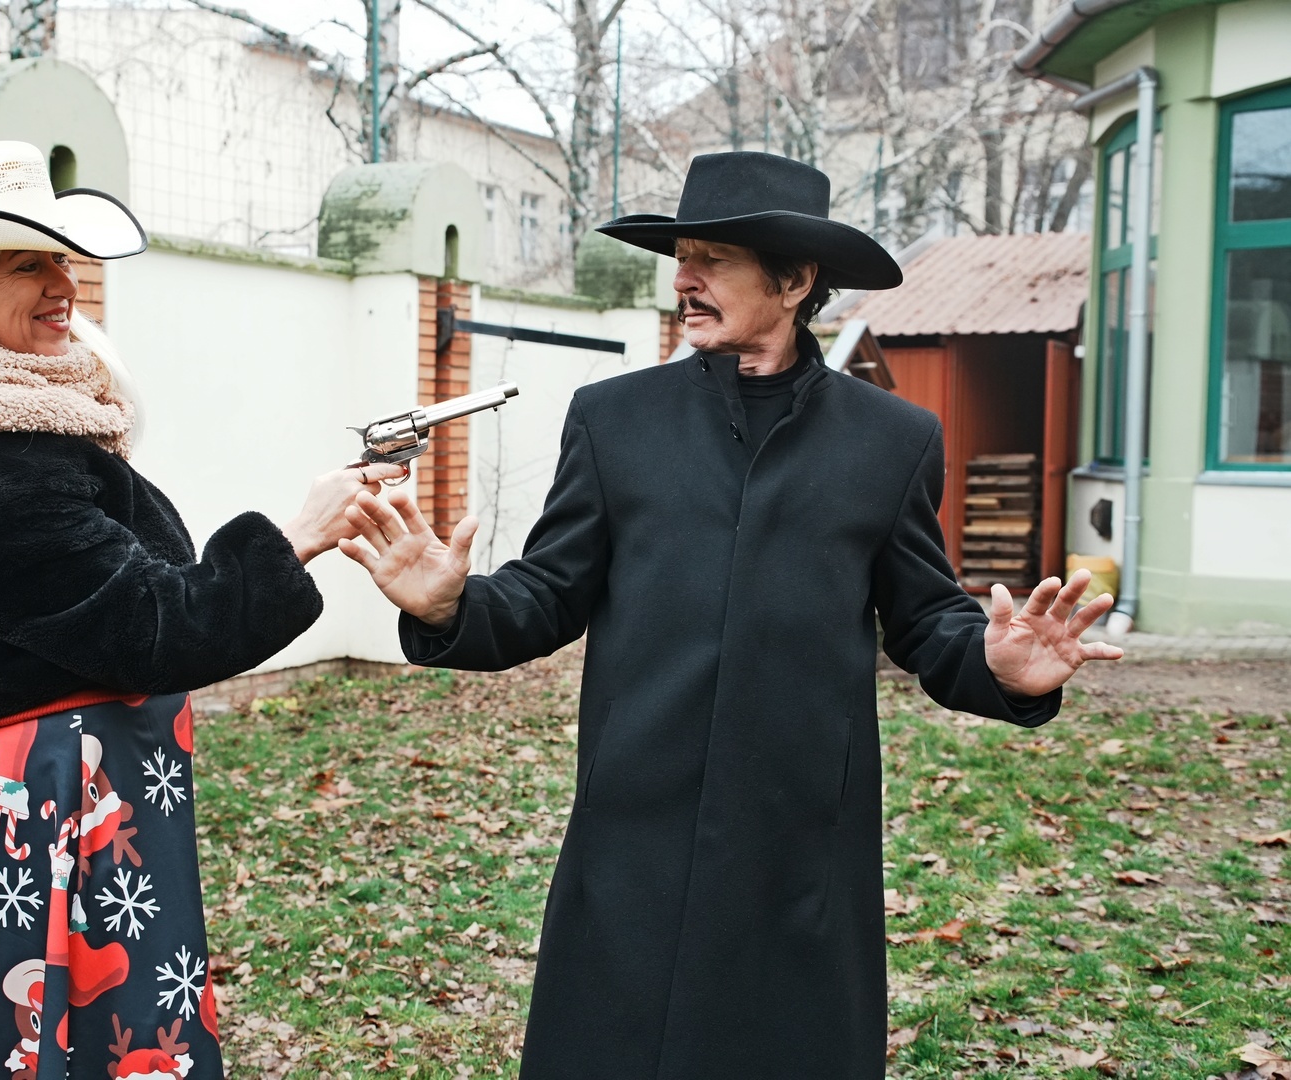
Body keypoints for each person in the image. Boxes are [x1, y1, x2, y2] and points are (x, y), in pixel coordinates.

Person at [339, 151, 1123, 1079]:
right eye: (682, 258)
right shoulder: (614, 419)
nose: (685, 279)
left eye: (712, 259)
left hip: (799, 835)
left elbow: (924, 623)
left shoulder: (893, 439)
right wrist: (452, 607)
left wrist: (998, 670)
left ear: (794, 282)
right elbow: (548, 593)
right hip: (635, 821)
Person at [0, 141, 402, 1079]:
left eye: (61, 258)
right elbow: (152, 627)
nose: (64, 285)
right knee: (94, 1034)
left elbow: (129, 600)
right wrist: (296, 537)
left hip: (89, 776)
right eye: (27, 264)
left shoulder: (16, 431)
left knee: (96, 1023)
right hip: (69, 785)